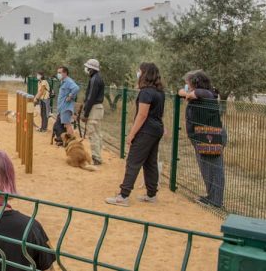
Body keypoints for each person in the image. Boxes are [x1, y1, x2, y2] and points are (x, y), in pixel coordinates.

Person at [106, 62, 165, 207]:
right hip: (156, 130)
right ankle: (151, 194)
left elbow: (142, 115)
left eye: (139, 71)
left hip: (145, 131)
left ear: (145, 73)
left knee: (133, 162)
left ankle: (123, 196)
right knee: (150, 163)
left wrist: (131, 134)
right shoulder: (159, 92)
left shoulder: (145, 92)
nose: (138, 73)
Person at [179, 70, 225, 208]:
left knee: (214, 169)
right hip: (201, 136)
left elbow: (195, 94)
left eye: (188, 83)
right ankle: (211, 197)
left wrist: (188, 94)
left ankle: (216, 201)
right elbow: (181, 92)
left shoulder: (207, 94)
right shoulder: (198, 95)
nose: (186, 86)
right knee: (206, 168)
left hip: (210, 137)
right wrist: (186, 93)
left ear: (196, 83)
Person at [81, 59, 105, 165]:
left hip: (94, 109)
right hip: (98, 109)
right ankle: (98, 156)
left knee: (93, 134)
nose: (86, 69)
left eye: (88, 67)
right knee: (98, 133)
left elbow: (91, 97)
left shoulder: (94, 79)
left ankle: (96, 158)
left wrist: (85, 113)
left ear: (91, 69)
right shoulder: (98, 78)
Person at [52, 66, 79, 145]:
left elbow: (76, 88)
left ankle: (73, 143)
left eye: (60, 72)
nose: (58, 74)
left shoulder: (68, 81)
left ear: (65, 73)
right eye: (58, 72)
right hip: (62, 107)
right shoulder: (63, 81)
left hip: (66, 107)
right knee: (65, 124)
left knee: (67, 125)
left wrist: (70, 96)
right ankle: (66, 141)